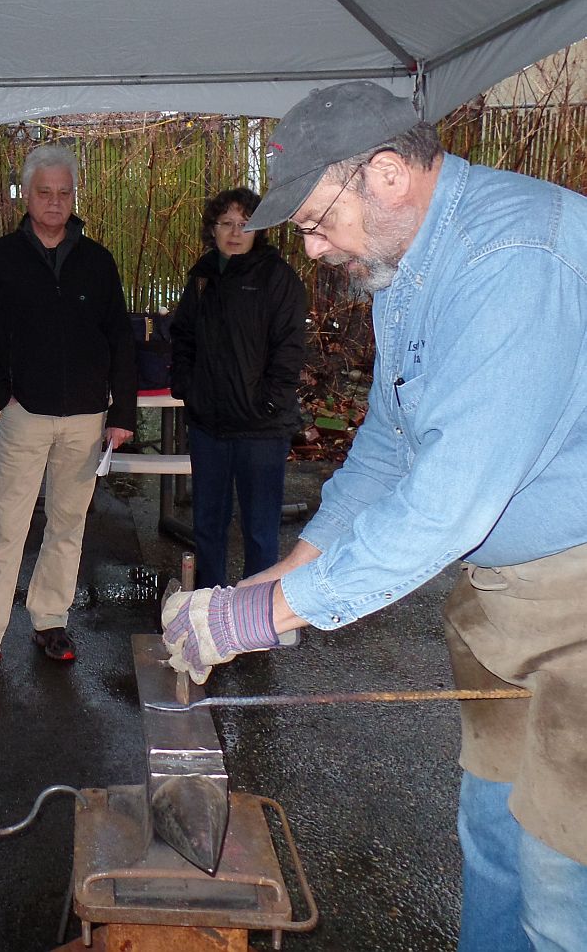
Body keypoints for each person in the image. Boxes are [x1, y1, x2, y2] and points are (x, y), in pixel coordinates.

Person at [159, 81, 587, 952]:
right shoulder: (406, 271)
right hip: (503, 605)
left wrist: (266, 617)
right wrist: (269, 588)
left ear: (387, 174)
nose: (314, 249)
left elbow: (446, 504)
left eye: (319, 221)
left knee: (558, 887)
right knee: (492, 840)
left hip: (578, 610)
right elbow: (388, 453)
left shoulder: (514, 259)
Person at [0, 144, 137, 681]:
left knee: (68, 524)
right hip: (24, 414)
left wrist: (122, 412)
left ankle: (51, 619)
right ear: (26, 196)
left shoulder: (97, 261)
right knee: (6, 525)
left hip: (86, 417)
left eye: (64, 193)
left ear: (74, 196)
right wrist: (1, 393)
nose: (55, 202)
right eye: (44, 192)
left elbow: (121, 341)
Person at [169, 187, 306, 590]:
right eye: (226, 223)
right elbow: (183, 336)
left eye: (244, 224)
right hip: (209, 424)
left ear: (259, 229)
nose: (234, 232)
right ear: (212, 229)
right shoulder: (203, 277)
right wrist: (188, 387)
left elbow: (289, 351)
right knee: (207, 525)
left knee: (260, 530)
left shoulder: (277, 279)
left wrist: (269, 403)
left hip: (261, 428)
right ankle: (208, 606)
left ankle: (254, 612)